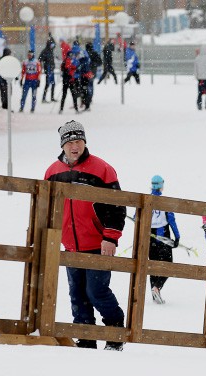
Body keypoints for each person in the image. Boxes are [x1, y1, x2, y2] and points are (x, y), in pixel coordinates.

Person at [44, 120, 126, 351]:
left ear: (84, 142)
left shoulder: (102, 169)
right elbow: (46, 207)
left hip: (98, 243)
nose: (74, 146)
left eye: (78, 141)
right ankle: (85, 337)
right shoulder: (52, 172)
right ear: (63, 145)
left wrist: (110, 238)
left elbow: (117, 206)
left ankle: (115, 332)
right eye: (70, 142)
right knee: (77, 293)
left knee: (96, 291)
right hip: (70, 245)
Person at [147, 175, 181, 304]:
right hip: (163, 238)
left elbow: (136, 217)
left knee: (153, 265)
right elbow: (171, 219)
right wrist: (177, 237)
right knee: (168, 265)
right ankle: (157, 287)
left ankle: (154, 291)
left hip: (149, 238)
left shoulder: (146, 199)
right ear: (161, 185)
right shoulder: (165, 201)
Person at [194, 45, 206, 110]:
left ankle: (199, 103)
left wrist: (197, 76)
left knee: (200, 92)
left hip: (200, 79)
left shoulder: (197, 58)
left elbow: (195, 69)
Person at [39, 39, 57, 103]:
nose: (52, 46)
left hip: (52, 69)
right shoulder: (45, 51)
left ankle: (52, 97)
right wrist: (43, 66)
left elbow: (54, 43)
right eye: (51, 45)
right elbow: (40, 59)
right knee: (47, 84)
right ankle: (43, 98)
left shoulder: (51, 50)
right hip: (48, 69)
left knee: (53, 84)